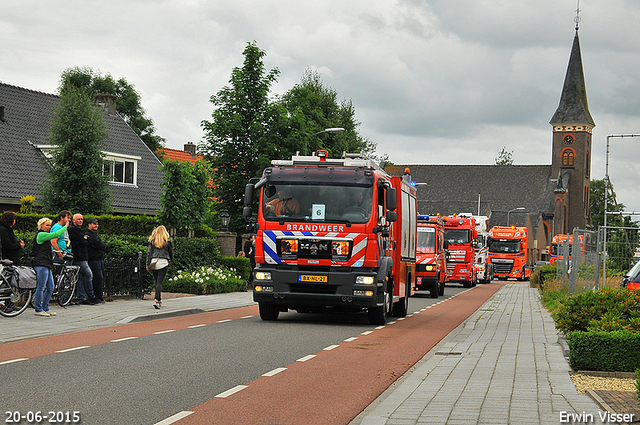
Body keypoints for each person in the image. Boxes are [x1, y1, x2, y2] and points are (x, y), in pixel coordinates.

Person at [32, 217, 68, 317]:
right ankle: (38, 309)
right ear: (41, 225)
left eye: (49, 225)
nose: (49, 227)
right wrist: (65, 227)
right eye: (47, 225)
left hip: (46, 264)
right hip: (41, 263)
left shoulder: (44, 236)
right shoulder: (41, 235)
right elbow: (55, 235)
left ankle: (45, 308)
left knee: (50, 287)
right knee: (41, 287)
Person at [68, 213, 97, 305]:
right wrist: (85, 239)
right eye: (78, 219)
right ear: (74, 220)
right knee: (88, 274)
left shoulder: (80, 230)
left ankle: (82, 297)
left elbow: (88, 240)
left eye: (81, 219)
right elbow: (82, 241)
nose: (80, 221)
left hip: (83, 256)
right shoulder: (72, 229)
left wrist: (85, 239)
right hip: (79, 256)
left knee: (81, 277)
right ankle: (91, 296)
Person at [146, 225, 173, 309]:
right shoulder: (167, 242)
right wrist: (170, 261)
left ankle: (159, 299)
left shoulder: (152, 242)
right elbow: (171, 254)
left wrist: (147, 265)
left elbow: (149, 254)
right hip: (163, 263)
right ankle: (156, 299)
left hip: (154, 263)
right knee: (159, 283)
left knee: (156, 282)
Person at [86, 218, 106, 304]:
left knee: (100, 278)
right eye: (94, 224)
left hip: (99, 258)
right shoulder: (87, 234)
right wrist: (99, 244)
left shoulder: (95, 235)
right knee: (97, 278)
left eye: (97, 224)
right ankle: (96, 296)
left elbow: (101, 245)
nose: (96, 225)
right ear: (89, 224)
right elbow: (97, 243)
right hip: (93, 259)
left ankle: (99, 295)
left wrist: (99, 244)